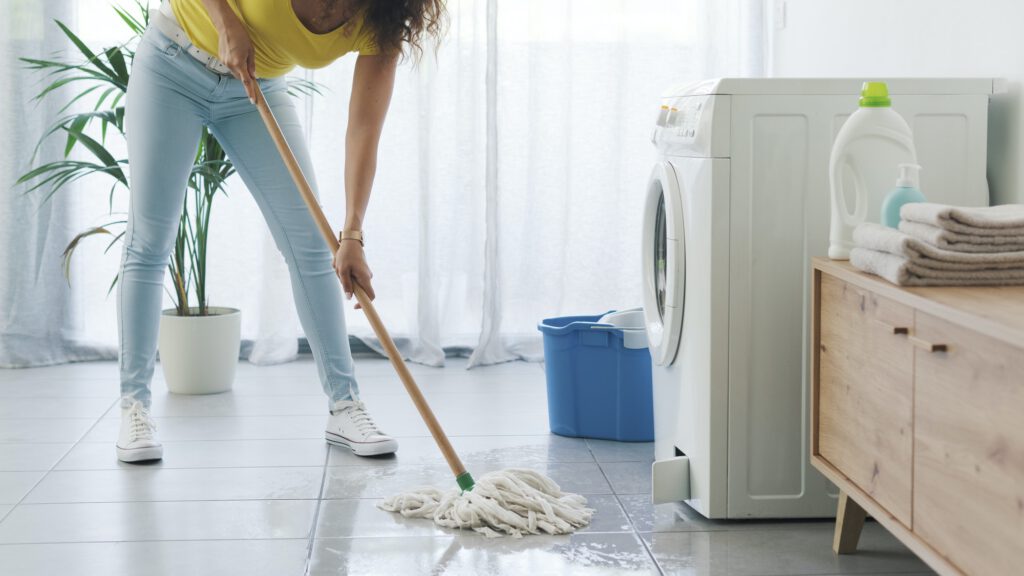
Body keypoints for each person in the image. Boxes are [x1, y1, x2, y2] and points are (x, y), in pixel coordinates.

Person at [115, 0, 446, 463]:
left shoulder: (384, 17)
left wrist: (353, 232)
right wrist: (225, 19)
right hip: (173, 65)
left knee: (313, 244)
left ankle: (344, 406)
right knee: (150, 242)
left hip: (255, 90)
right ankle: (134, 408)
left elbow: (364, 128)